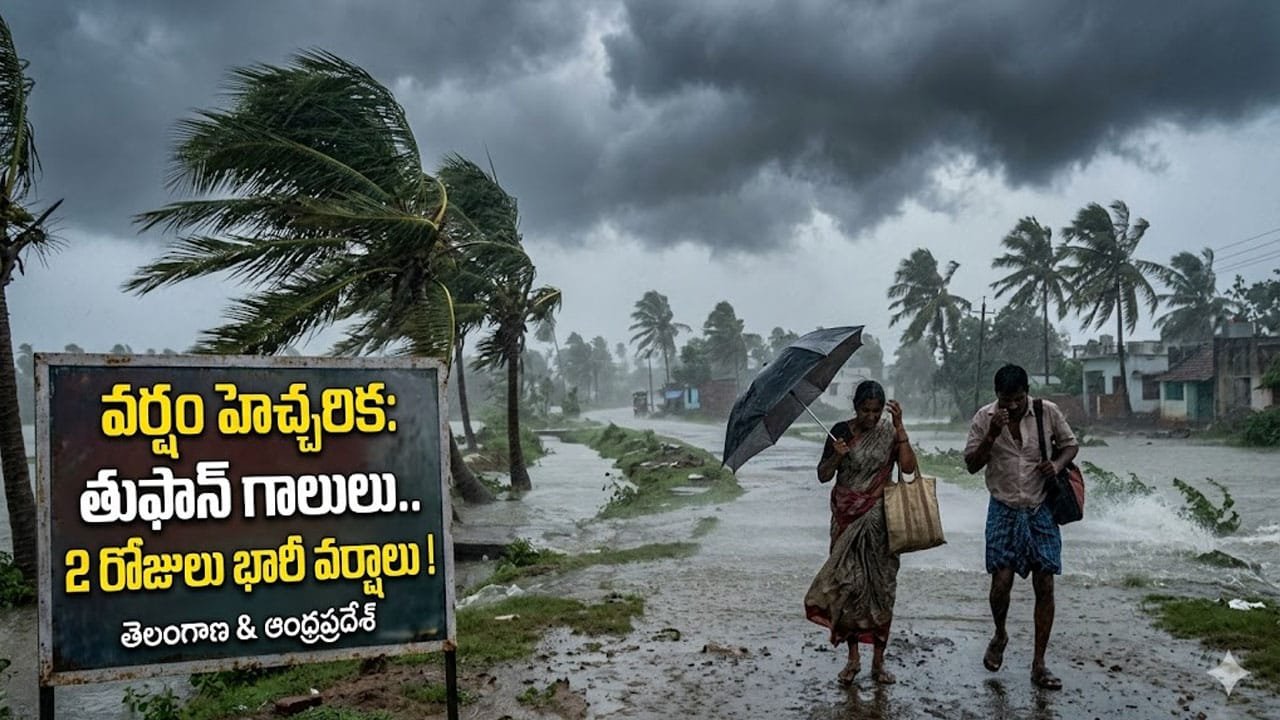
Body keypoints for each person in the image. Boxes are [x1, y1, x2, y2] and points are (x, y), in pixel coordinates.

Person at [963, 364, 1078, 691]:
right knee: (1001, 583)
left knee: (1045, 583)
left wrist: (1055, 465)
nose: (1011, 406)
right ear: (996, 397)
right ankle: (1000, 634)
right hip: (1002, 507)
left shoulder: (1047, 412)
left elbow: (1071, 446)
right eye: (1004, 400)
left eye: (1017, 399)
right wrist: (991, 436)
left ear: (1027, 392)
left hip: (1041, 507)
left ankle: (1039, 664)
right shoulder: (984, 418)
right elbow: (971, 465)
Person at [804, 380, 918, 686]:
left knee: (881, 589)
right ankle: (853, 659)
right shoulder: (840, 431)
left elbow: (908, 469)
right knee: (848, 588)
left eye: (876, 411)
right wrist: (837, 455)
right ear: (855, 408)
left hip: (879, 521)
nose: (871, 417)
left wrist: (900, 427)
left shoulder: (889, 431)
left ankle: (878, 663)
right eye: (865, 410)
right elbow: (822, 475)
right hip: (845, 520)